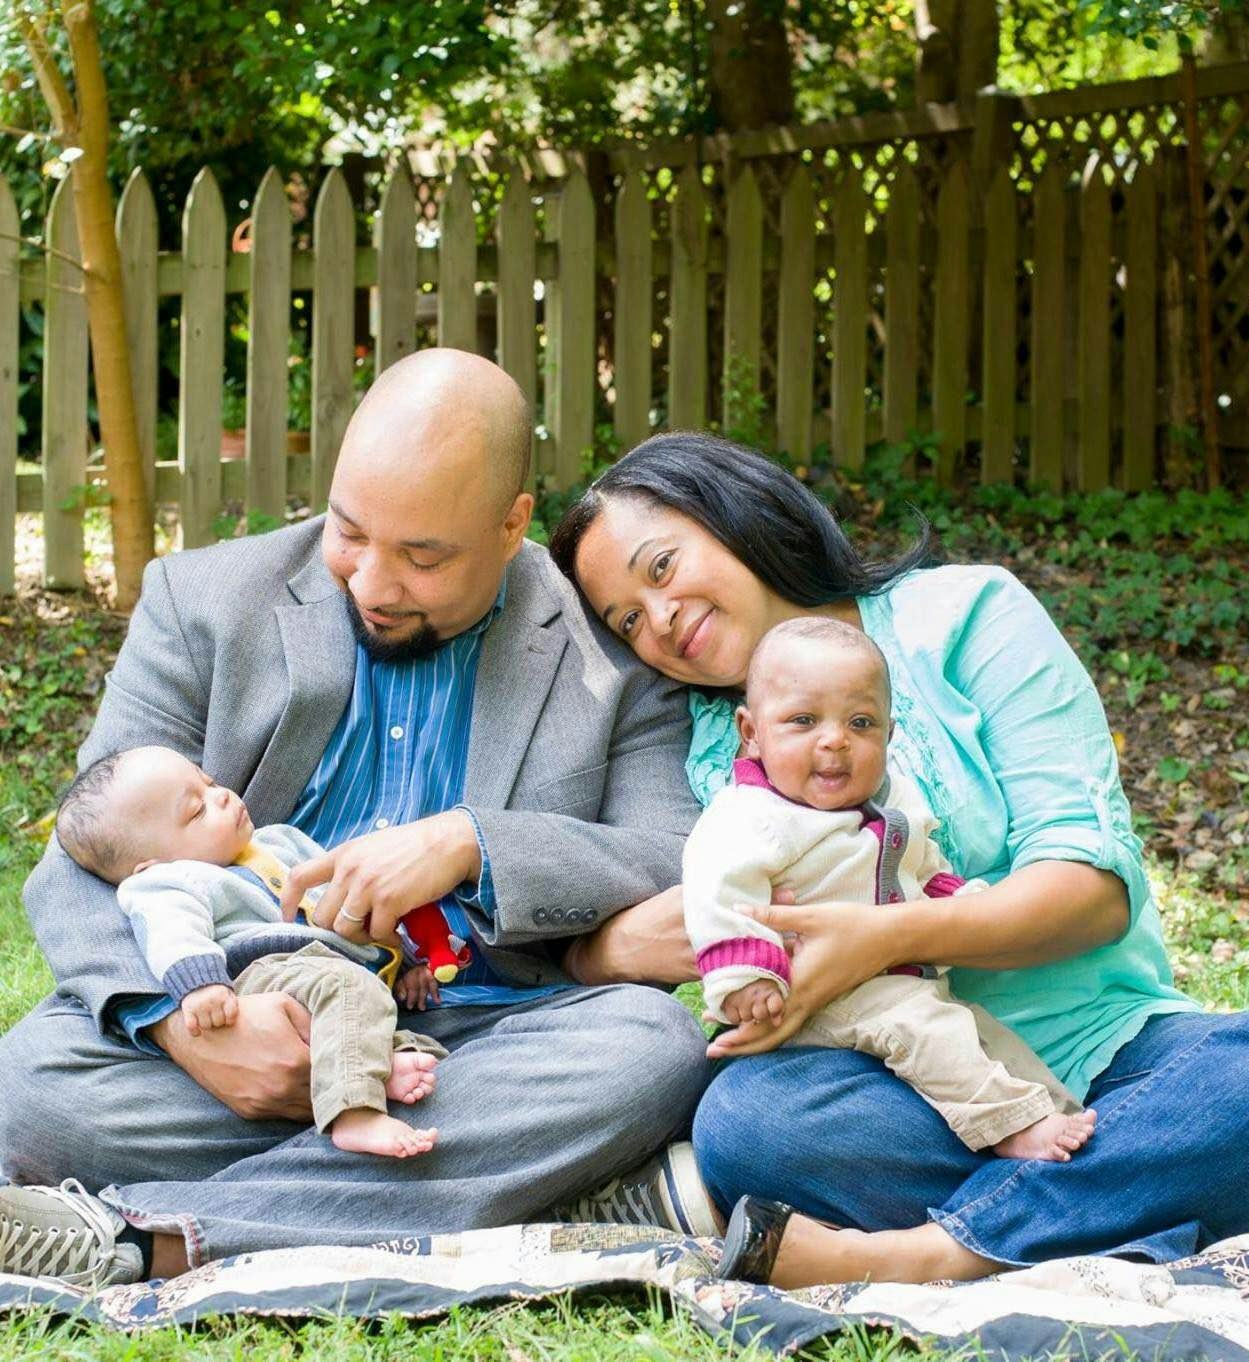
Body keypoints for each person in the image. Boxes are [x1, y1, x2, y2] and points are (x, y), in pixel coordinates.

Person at [550, 429, 1249, 1290]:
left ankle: (941, 1251)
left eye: (663, 567)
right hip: (909, 1092)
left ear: (734, 513)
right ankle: (1223, 1192)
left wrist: (878, 934)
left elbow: (1090, 892)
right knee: (752, 1124)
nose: (661, 620)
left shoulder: (966, 615)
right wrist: (592, 950)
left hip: (1117, 1054)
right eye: (627, 620)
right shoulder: (709, 740)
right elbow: (664, 922)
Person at [0, 350, 715, 1294]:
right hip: (243, 1021)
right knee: (26, 1096)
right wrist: (185, 1027)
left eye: (423, 556)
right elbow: (78, 857)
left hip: (476, 1042)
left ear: (510, 524)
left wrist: (468, 841)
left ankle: (155, 1239)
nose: (372, 583)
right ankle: (514, 1189)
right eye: (349, 532)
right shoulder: (200, 603)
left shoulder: (611, 649)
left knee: (650, 1053)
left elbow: (669, 856)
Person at [686, 618, 1095, 1163]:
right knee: (930, 1035)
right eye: (803, 721)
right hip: (825, 993)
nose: (834, 739)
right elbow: (718, 894)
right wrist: (746, 976)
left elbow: (924, 870)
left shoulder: (894, 799)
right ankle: (1010, 1129)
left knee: (981, 1034)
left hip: (898, 978)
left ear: (889, 735)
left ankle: (1060, 1115)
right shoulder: (749, 816)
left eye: (860, 723)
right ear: (752, 732)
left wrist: (958, 904)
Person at [56, 744, 452, 1159]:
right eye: (196, 811)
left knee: (413, 1046)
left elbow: (352, 902)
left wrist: (407, 960)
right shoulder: (171, 882)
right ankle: (355, 1114)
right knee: (350, 989)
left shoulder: (280, 842)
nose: (222, 796)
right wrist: (201, 985)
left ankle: (377, 1068)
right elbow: (172, 929)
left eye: (209, 784)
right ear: (152, 863)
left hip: (327, 969)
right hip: (264, 973)